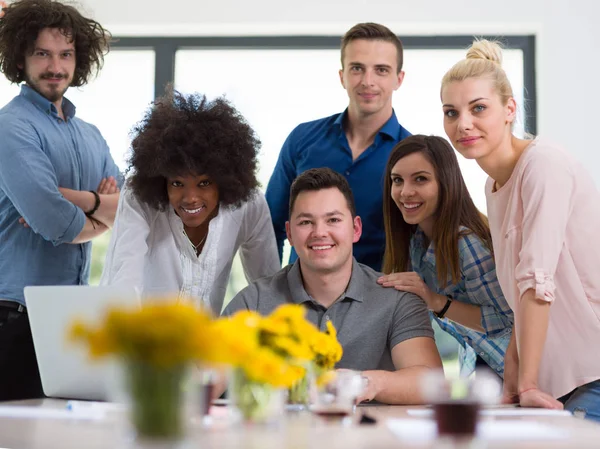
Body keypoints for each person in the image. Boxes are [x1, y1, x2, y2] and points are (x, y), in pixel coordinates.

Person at [440, 39, 600, 420]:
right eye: (451, 112)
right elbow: (519, 298)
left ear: (509, 109)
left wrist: (525, 384)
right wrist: (514, 382)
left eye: (478, 108)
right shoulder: (493, 187)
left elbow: (536, 279)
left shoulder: (543, 165)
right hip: (563, 378)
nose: (463, 123)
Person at [225, 168, 442, 405]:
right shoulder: (254, 301)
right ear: (289, 232)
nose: (320, 232)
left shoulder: (397, 300)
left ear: (355, 229)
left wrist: (362, 383)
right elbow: (207, 374)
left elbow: (431, 383)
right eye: (306, 222)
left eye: (333, 220)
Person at [0, 0, 121, 400]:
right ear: (21, 57)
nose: (56, 66)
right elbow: (55, 223)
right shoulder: (10, 127)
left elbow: (128, 207)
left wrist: (73, 201)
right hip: (12, 319)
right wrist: (98, 214)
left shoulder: (91, 134)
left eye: (65, 54)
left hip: (66, 318)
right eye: (42, 54)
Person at [101, 89, 280, 316]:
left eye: (204, 183)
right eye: (177, 183)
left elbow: (267, 288)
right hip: (139, 340)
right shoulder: (140, 198)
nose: (190, 197)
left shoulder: (249, 205)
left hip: (205, 344)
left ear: (224, 181)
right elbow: (123, 283)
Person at [266, 22, 411, 271]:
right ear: (342, 76)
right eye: (357, 68)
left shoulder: (412, 156)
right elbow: (269, 228)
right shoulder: (302, 139)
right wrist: (269, 293)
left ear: (399, 79)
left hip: (378, 301)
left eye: (381, 70)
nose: (368, 81)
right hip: (299, 300)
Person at [377, 134, 513, 379]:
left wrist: (435, 301)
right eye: (397, 180)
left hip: (515, 370)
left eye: (420, 179)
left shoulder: (467, 243)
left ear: (445, 183)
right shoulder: (416, 242)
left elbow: (505, 321)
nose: (405, 192)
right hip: (483, 363)